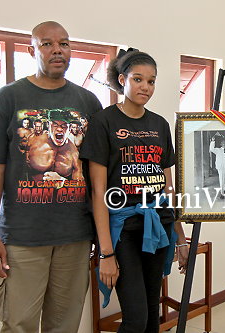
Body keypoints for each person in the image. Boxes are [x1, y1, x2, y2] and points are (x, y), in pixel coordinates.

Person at [0, 21, 102, 333]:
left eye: (64, 43)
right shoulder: (8, 98)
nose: (57, 50)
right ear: (31, 50)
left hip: (75, 236)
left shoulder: (88, 103)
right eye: (47, 44)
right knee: (18, 323)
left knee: (64, 324)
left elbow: (97, 174)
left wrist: (102, 235)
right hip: (23, 238)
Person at [80, 48, 189, 332]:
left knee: (153, 313)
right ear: (122, 80)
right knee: (136, 318)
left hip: (158, 225)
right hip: (123, 230)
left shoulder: (159, 124)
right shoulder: (104, 122)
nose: (145, 87)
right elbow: (98, 192)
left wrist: (180, 238)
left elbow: (168, 187)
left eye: (151, 81)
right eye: (138, 79)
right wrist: (105, 253)